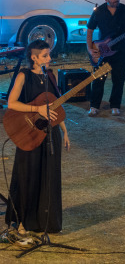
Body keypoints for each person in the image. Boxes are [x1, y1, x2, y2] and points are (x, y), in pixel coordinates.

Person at [5, 39, 70, 235]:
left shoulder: (50, 76)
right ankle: (24, 220)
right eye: (45, 56)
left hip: (51, 133)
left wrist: (65, 131)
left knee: (49, 176)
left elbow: (55, 105)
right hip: (29, 133)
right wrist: (37, 109)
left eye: (49, 54)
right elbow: (11, 104)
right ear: (33, 57)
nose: (50, 58)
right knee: (29, 177)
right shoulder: (23, 76)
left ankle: (46, 222)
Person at [87, 0, 125, 116]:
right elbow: (89, 30)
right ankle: (94, 106)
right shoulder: (99, 11)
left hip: (121, 51)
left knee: (119, 79)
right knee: (98, 79)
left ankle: (115, 105)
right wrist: (89, 48)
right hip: (102, 51)